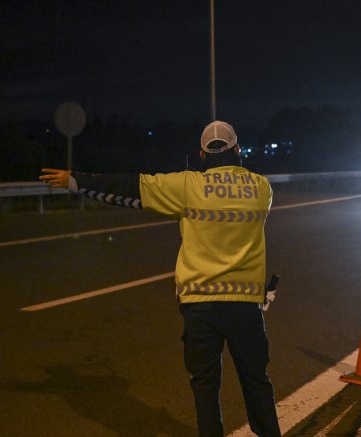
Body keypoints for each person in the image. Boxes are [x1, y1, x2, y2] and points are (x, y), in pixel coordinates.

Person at [39, 120, 281, 437]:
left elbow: (129, 188)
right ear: (237, 150)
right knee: (256, 382)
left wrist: (76, 181)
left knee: (205, 387)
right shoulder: (261, 188)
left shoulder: (186, 186)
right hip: (245, 307)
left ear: (202, 154)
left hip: (200, 307)